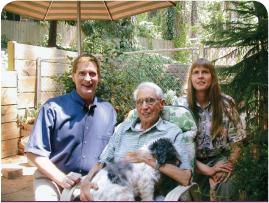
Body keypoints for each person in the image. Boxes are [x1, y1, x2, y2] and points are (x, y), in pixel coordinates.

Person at [25, 54, 117, 201]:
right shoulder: (52, 108)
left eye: (92, 74)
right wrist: (61, 179)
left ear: (98, 77)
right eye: (82, 73)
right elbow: (34, 153)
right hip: (52, 179)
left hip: (92, 181)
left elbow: (112, 153)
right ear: (73, 76)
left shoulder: (109, 111)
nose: (87, 79)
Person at [79, 82, 193, 201]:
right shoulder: (123, 128)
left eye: (150, 100)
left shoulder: (172, 132)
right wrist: (87, 181)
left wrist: (149, 159)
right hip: (115, 191)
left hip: (151, 195)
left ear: (162, 104)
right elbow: (101, 162)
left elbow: (185, 178)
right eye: (139, 102)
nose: (144, 106)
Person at [173, 58, 246, 201]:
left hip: (219, 158)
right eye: (196, 72)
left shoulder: (226, 104)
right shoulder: (180, 106)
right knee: (184, 194)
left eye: (205, 72)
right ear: (191, 78)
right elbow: (177, 148)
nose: (200, 76)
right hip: (190, 161)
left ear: (212, 76)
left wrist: (228, 165)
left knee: (228, 185)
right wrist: (208, 170)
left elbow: (237, 144)